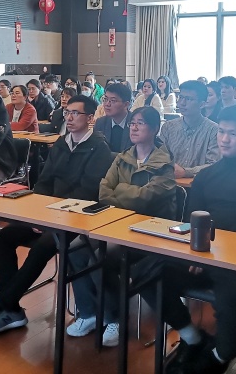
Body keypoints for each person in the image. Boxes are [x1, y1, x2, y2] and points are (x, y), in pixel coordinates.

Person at [141, 105, 236, 374]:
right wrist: (198, 251)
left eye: (233, 134)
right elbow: (192, 218)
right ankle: (192, 337)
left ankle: (218, 357)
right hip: (203, 253)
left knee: (234, 303)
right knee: (146, 272)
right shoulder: (206, 175)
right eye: (221, 132)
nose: (224, 139)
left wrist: (211, 251)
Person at [0, 96, 114, 336]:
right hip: (48, 215)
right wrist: (38, 215)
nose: (69, 117)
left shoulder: (99, 148)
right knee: (4, 238)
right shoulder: (62, 143)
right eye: (67, 112)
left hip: (76, 220)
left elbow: (87, 192)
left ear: (90, 118)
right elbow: (44, 182)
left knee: (42, 246)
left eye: (76, 113)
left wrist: (50, 217)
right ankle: (12, 310)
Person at [70, 106, 177, 347]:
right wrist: (126, 192)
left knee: (100, 257)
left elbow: (145, 200)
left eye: (141, 123)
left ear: (155, 129)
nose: (134, 128)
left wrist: (120, 190)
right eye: (132, 123)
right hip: (115, 223)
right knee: (75, 248)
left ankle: (115, 318)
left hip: (148, 231)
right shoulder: (122, 157)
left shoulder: (164, 165)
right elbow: (104, 190)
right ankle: (89, 312)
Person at [159, 80, 220, 179]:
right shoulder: (168, 127)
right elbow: (159, 157)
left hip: (199, 184)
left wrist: (186, 172)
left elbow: (214, 165)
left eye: (189, 99)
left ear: (202, 104)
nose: (182, 103)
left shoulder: (213, 130)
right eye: (181, 97)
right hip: (169, 183)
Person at [93, 82, 133, 154]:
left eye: (113, 101)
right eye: (105, 99)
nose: (107, 104)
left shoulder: (135, 124)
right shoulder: (100, 123)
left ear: (126, 104)